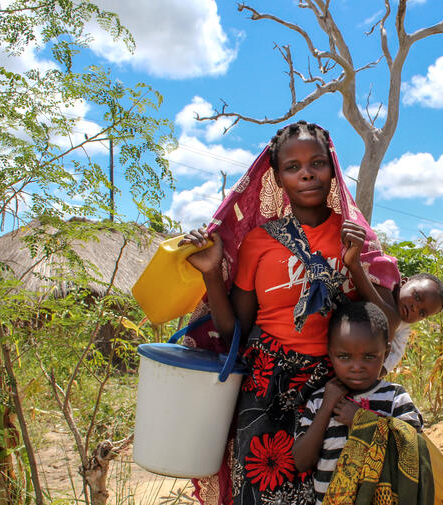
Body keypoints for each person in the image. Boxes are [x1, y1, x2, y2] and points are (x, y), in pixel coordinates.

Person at [179, 121, 400, 505]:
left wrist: (355, 264)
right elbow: (236, 334)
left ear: (332, 168)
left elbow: (386, 325)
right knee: (259, 490)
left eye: (317, 163)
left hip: (334, 384)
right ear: (277, 178)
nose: (307, 173)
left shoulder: (354, 237)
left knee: (338, 490)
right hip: (266, 386)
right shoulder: (258, 243)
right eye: (293, 167)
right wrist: (213, 272)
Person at [292, 301, 423, 505]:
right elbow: (301, 461)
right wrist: (327, 407)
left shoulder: (395, 398)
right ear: (330, 353)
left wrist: (362, 421)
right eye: (344, 357)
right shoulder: (319, 401)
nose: (356, 367)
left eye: (369, 357)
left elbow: (413, 452)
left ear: (386, 353)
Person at [340, 220, 443, 374]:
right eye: (417, 296)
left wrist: (376, 374)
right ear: (403, 282)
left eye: (422, 313)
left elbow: (393, 357)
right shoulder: (386, 276)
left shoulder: (402, 327)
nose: (415, 308)